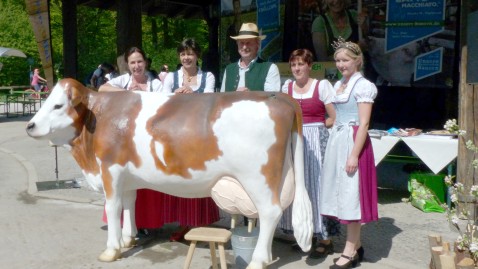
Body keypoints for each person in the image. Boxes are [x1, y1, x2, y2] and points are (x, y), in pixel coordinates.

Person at [320, 37, 378, 268]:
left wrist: (354, 155)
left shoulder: (363, 86)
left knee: (350, 197)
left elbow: (363, 124)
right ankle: (357, 245)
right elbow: (336, 117)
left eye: (345, 60)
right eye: (338, 60)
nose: (341, 64)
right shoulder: (338, 85)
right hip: (338, 140)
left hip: (354, 142)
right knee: (341, 194)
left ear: (357, 61)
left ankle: (349, 250)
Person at [279, 48, 339, 259]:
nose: (296, 68)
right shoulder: (287, 87)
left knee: (318, 186)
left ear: (309, 66)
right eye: (293, 65)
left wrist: (318, 129)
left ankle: (325, 239)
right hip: (294, 140)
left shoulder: (321, 86)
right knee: (297, 186)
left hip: (316, 139)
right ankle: (304, 233)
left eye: (300, 64)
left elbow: (334, 117)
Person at [220, 22, 281, 92]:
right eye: (241, 43)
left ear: (257, 44)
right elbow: (223, 98)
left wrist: (251, 95)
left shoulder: (270, 68)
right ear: (237, 44)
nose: (244, 47)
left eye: (248, 43)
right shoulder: (229, 69)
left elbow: (272, 98)